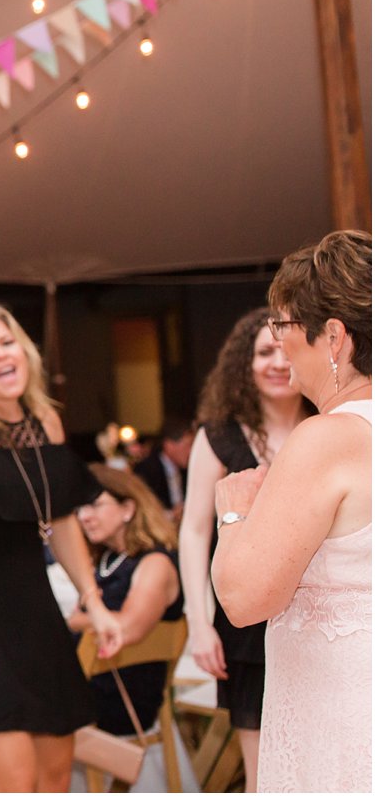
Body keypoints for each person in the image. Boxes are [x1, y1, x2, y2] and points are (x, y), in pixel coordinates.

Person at [0, 301, 124, 792]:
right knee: (13, 784)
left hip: (36, 619)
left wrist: (94, 603)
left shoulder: (47, 423)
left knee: (54, 779)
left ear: (25, 350)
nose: (0, 356)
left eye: (6, 343)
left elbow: (64, 521)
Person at [212, 230, 371, 793]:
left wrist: (234, 515)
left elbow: (244, 598)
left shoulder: (327, 439)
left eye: (283, 325)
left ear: (332, 336)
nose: (278, 345)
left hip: (342, 718)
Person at [178, 306, 312, 791]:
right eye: (263, 352)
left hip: (321, 614)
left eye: (284, 348)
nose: (276, 362)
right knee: (263, 771)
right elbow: (194, 532)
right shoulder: (217, 436)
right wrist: (199, 622)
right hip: (248, 626)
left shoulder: (326, 428)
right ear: (243, 364)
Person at [69, 466, 183, 742]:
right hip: (92, 685)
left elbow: (128, 629)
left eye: (95, 505)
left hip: (121, 696)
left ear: (128, 509)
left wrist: (82, 620)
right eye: (80, 507)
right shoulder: (106, 560)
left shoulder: (154, 562)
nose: (85, 516)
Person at [131, 416, 193, 522]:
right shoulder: (146, 470)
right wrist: (173, 514)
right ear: (169, 445)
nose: (191, 451)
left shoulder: (187, 471)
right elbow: (142, 512)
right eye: (189, 445)